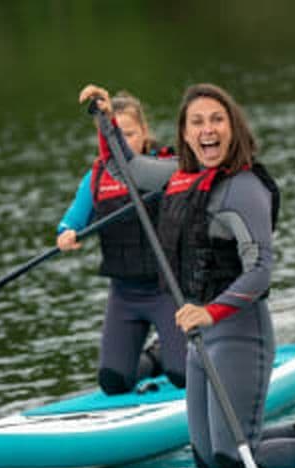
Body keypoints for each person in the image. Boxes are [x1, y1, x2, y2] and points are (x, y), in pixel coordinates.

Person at [79, 82, 295, 468]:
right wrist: (105, 120)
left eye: (217, 119)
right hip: (201, 339)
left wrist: (210, 313)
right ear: (184, 134)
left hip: (240, 333)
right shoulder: (179, 177)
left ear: (233, 129)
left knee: (234, 462)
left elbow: (260, 271)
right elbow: (124, 169)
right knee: (208, 461)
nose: (207, 129)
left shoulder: (244, 188)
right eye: (197, 122)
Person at [57, 91, 187, 394]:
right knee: (113, 382)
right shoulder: (96, 177)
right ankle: (154, 359)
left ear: (144, 132)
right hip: (124, 295)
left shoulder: (165, 167)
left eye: (129, 134)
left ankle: (177, 354)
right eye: (116, 135)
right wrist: (66, 233)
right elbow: (73, 220)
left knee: (183, 374)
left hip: (168, 289)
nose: (122, 142)